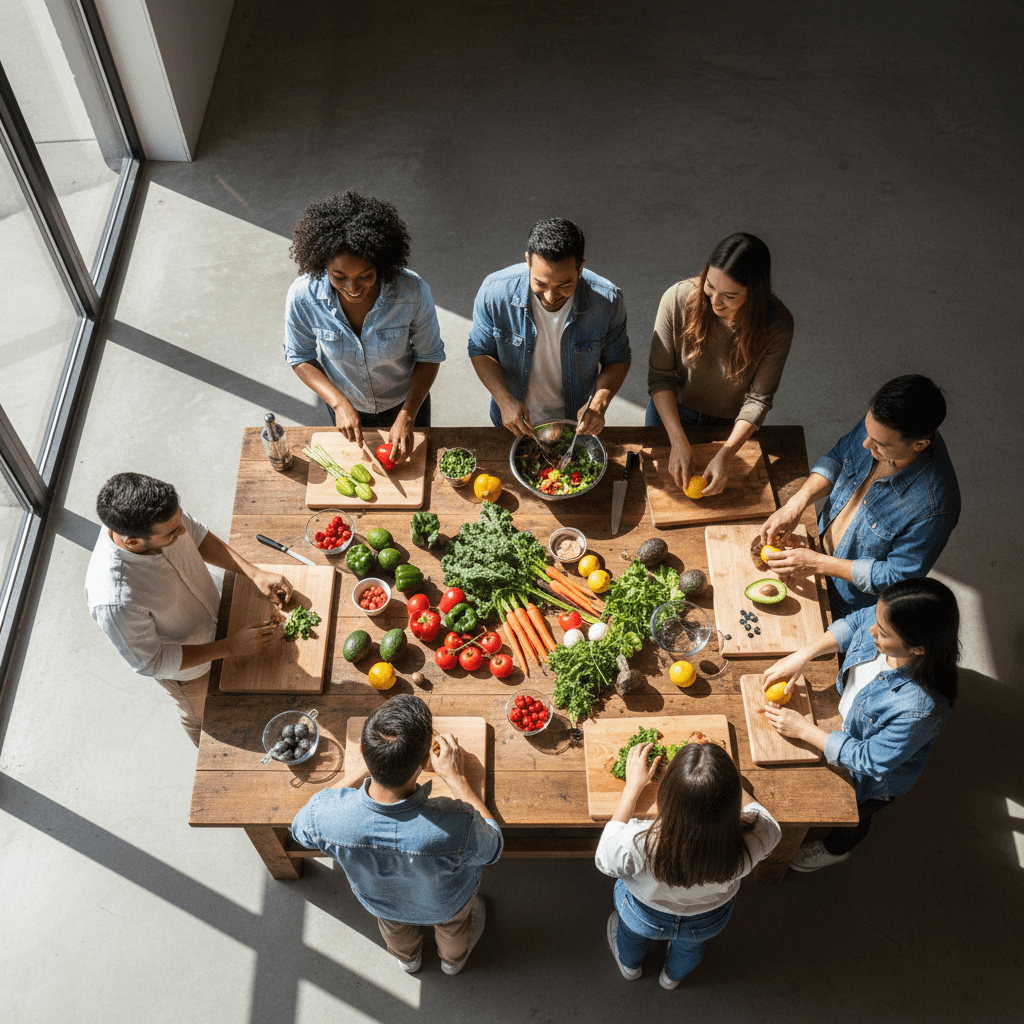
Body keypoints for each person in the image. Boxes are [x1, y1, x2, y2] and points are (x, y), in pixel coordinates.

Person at [291, 695, 502, 975]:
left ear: (364, 751)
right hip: (446, 903)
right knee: (453, 927)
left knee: (393, 926)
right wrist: (455, 778)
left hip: (381, 901)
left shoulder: (324, 814)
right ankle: (452, 963)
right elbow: (493, 846)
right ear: (425, 761)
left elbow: (299, 830)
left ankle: (408, 959)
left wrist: (361, 769)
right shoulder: (457, 823)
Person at [761, 577, 959, 871]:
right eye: (877, 618)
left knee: (855, 815)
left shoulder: (919, 710)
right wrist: (803, 655)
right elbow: (855, 622)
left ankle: (837, 849)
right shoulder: (887, 618)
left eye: (883, 633)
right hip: (845, 726)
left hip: (872, 782)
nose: (871, 630)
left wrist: (804, 730)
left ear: (918, 648)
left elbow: (870, 760)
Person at [85, 472, 291, 746]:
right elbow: (153, 661)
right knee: (200, 714)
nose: (182, 531)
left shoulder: (161, 520)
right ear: (132, 542)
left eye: (180, 519)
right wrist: (229, 647)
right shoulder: (115, 601)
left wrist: (254, 573)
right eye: (172, 534)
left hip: (219, 614)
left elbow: (196, 535)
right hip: (191, 670)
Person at [759, 374, 960, 618]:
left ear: (918, 445)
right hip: (812, 553)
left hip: (846, 602)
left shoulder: (935, 508)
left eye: (880, 444)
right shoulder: (880, 426)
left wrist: (818, 564)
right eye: (868, 430)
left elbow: (896, 578)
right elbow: (838, 458)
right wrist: (797, 503)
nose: (865, 444)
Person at [595, 740, 780, 989]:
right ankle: (671, 978)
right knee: (690, 949)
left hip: (645, 913)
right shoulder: (757, 836)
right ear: (733, 801)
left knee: (632, 936)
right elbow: (766, 818)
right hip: (708, 918)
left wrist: (632, 788)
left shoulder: (639, 841)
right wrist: (729, 777)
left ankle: (630, 968)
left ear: (665, 795)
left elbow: (604, 858)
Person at [284, 189, 446, 461]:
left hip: (406, 404)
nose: (353, 287)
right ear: (323, 264)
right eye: (339, 276)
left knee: (416, 467)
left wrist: (408, 416)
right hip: (346, 407)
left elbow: (429, 356)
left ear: (380, 264)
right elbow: (299, 356)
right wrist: (338, 404)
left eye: (365, 275)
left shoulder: (412, 292)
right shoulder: (303, 297)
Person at [646, 232, 793, 495]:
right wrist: (677, 437)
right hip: (669, 416)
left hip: (727, 426)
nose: (714, 301)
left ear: (754, 293)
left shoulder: (777, 325)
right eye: (710, 286)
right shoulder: (676, 299)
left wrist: (726, 452)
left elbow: (758, 400)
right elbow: (660, 377)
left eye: (730, 296)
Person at [467, 217, 631, 437]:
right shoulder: (494, 293)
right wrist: (504, 400)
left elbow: (618, 359)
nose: (550, 297)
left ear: (580, 268)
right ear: (528, 261)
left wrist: (599, 403)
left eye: (564, 285)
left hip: (575, 425)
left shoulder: (607, 301)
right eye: (540, 283)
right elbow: (480, 350)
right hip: (513, 422)